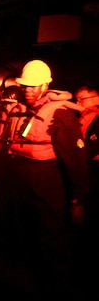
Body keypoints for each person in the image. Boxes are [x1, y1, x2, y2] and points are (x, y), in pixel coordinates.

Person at [0, 60, 89, 301]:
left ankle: (57, 290)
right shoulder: (17, 111)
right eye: (24, 85)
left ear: (46, 85)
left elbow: (75, 162)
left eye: (33, 85)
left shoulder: (60, 115)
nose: (27, 90)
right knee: (24, 239)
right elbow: (6, 149)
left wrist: (78, 199)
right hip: (20, 183)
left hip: (48, 185)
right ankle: (31, 285)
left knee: (52, 243)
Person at [74, 83, 99, 293]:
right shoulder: (81, 117)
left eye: (82, 98)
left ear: (95, 97)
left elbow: (90, 146)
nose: (78, 103)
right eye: (77, 99)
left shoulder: (96, 118)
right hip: (85, 167)